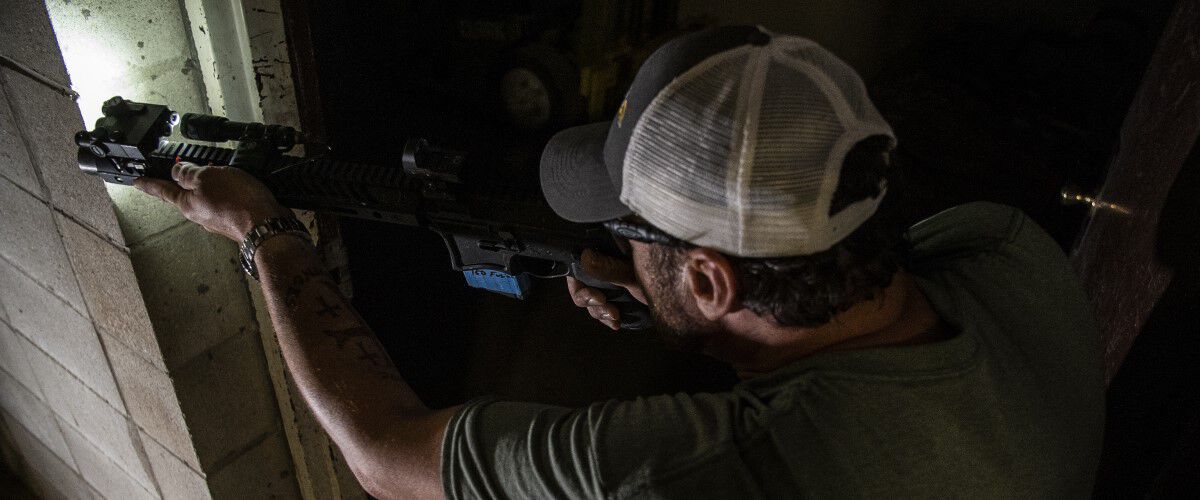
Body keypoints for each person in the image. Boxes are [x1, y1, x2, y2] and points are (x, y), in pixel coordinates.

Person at [136, 25, 1105, 499]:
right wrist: (669, 304)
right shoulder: (1007, 250)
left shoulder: (699, 464)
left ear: (716, 279)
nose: (618, 247)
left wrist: (264, 232)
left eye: (635, 234)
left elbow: (387, 454)